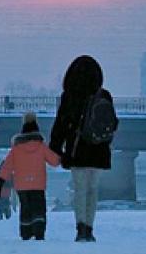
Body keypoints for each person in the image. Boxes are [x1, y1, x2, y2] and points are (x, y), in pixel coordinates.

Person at [50, 55, 118, 243]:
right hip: (98, 150)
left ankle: (81, 228)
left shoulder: (70, 96)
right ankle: (89, 228)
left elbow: (61, 123)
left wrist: (56, 146)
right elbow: (113, 124)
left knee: (80, 189)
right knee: (93, 189)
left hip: (77, 150)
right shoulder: (104, 95)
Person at [0, 112, 61, 240]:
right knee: (39, 208)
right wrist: (63, 156)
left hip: (22, 186)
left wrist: (0, 182)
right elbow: (55, 161)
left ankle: (26, 232)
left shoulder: (16, 149)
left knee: (25, 208)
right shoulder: (41, 147)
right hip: (38, 185)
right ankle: (39, 231)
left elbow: (7, 167)